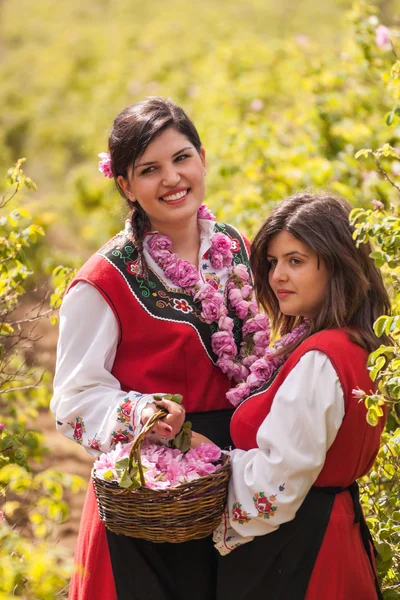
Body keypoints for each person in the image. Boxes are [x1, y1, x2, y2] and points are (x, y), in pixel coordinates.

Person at [50, 97, 270, 600]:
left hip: (235, 481)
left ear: (203, 158)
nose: (172, 178)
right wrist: (144, 414)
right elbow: (72, 401)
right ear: (125, 185)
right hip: (153, 495)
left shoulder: (236, 248)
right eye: (149, 169)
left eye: (181, 158)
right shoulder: (103, 280)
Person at [211, 192, 389, 600]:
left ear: (339, 264)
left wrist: (213, 464)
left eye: (296, 260)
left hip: (300, 553)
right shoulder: (356, 344)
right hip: (332, 535)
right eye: (273, 262)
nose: (277, 277)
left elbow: (278, 483)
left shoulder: (322, 358)